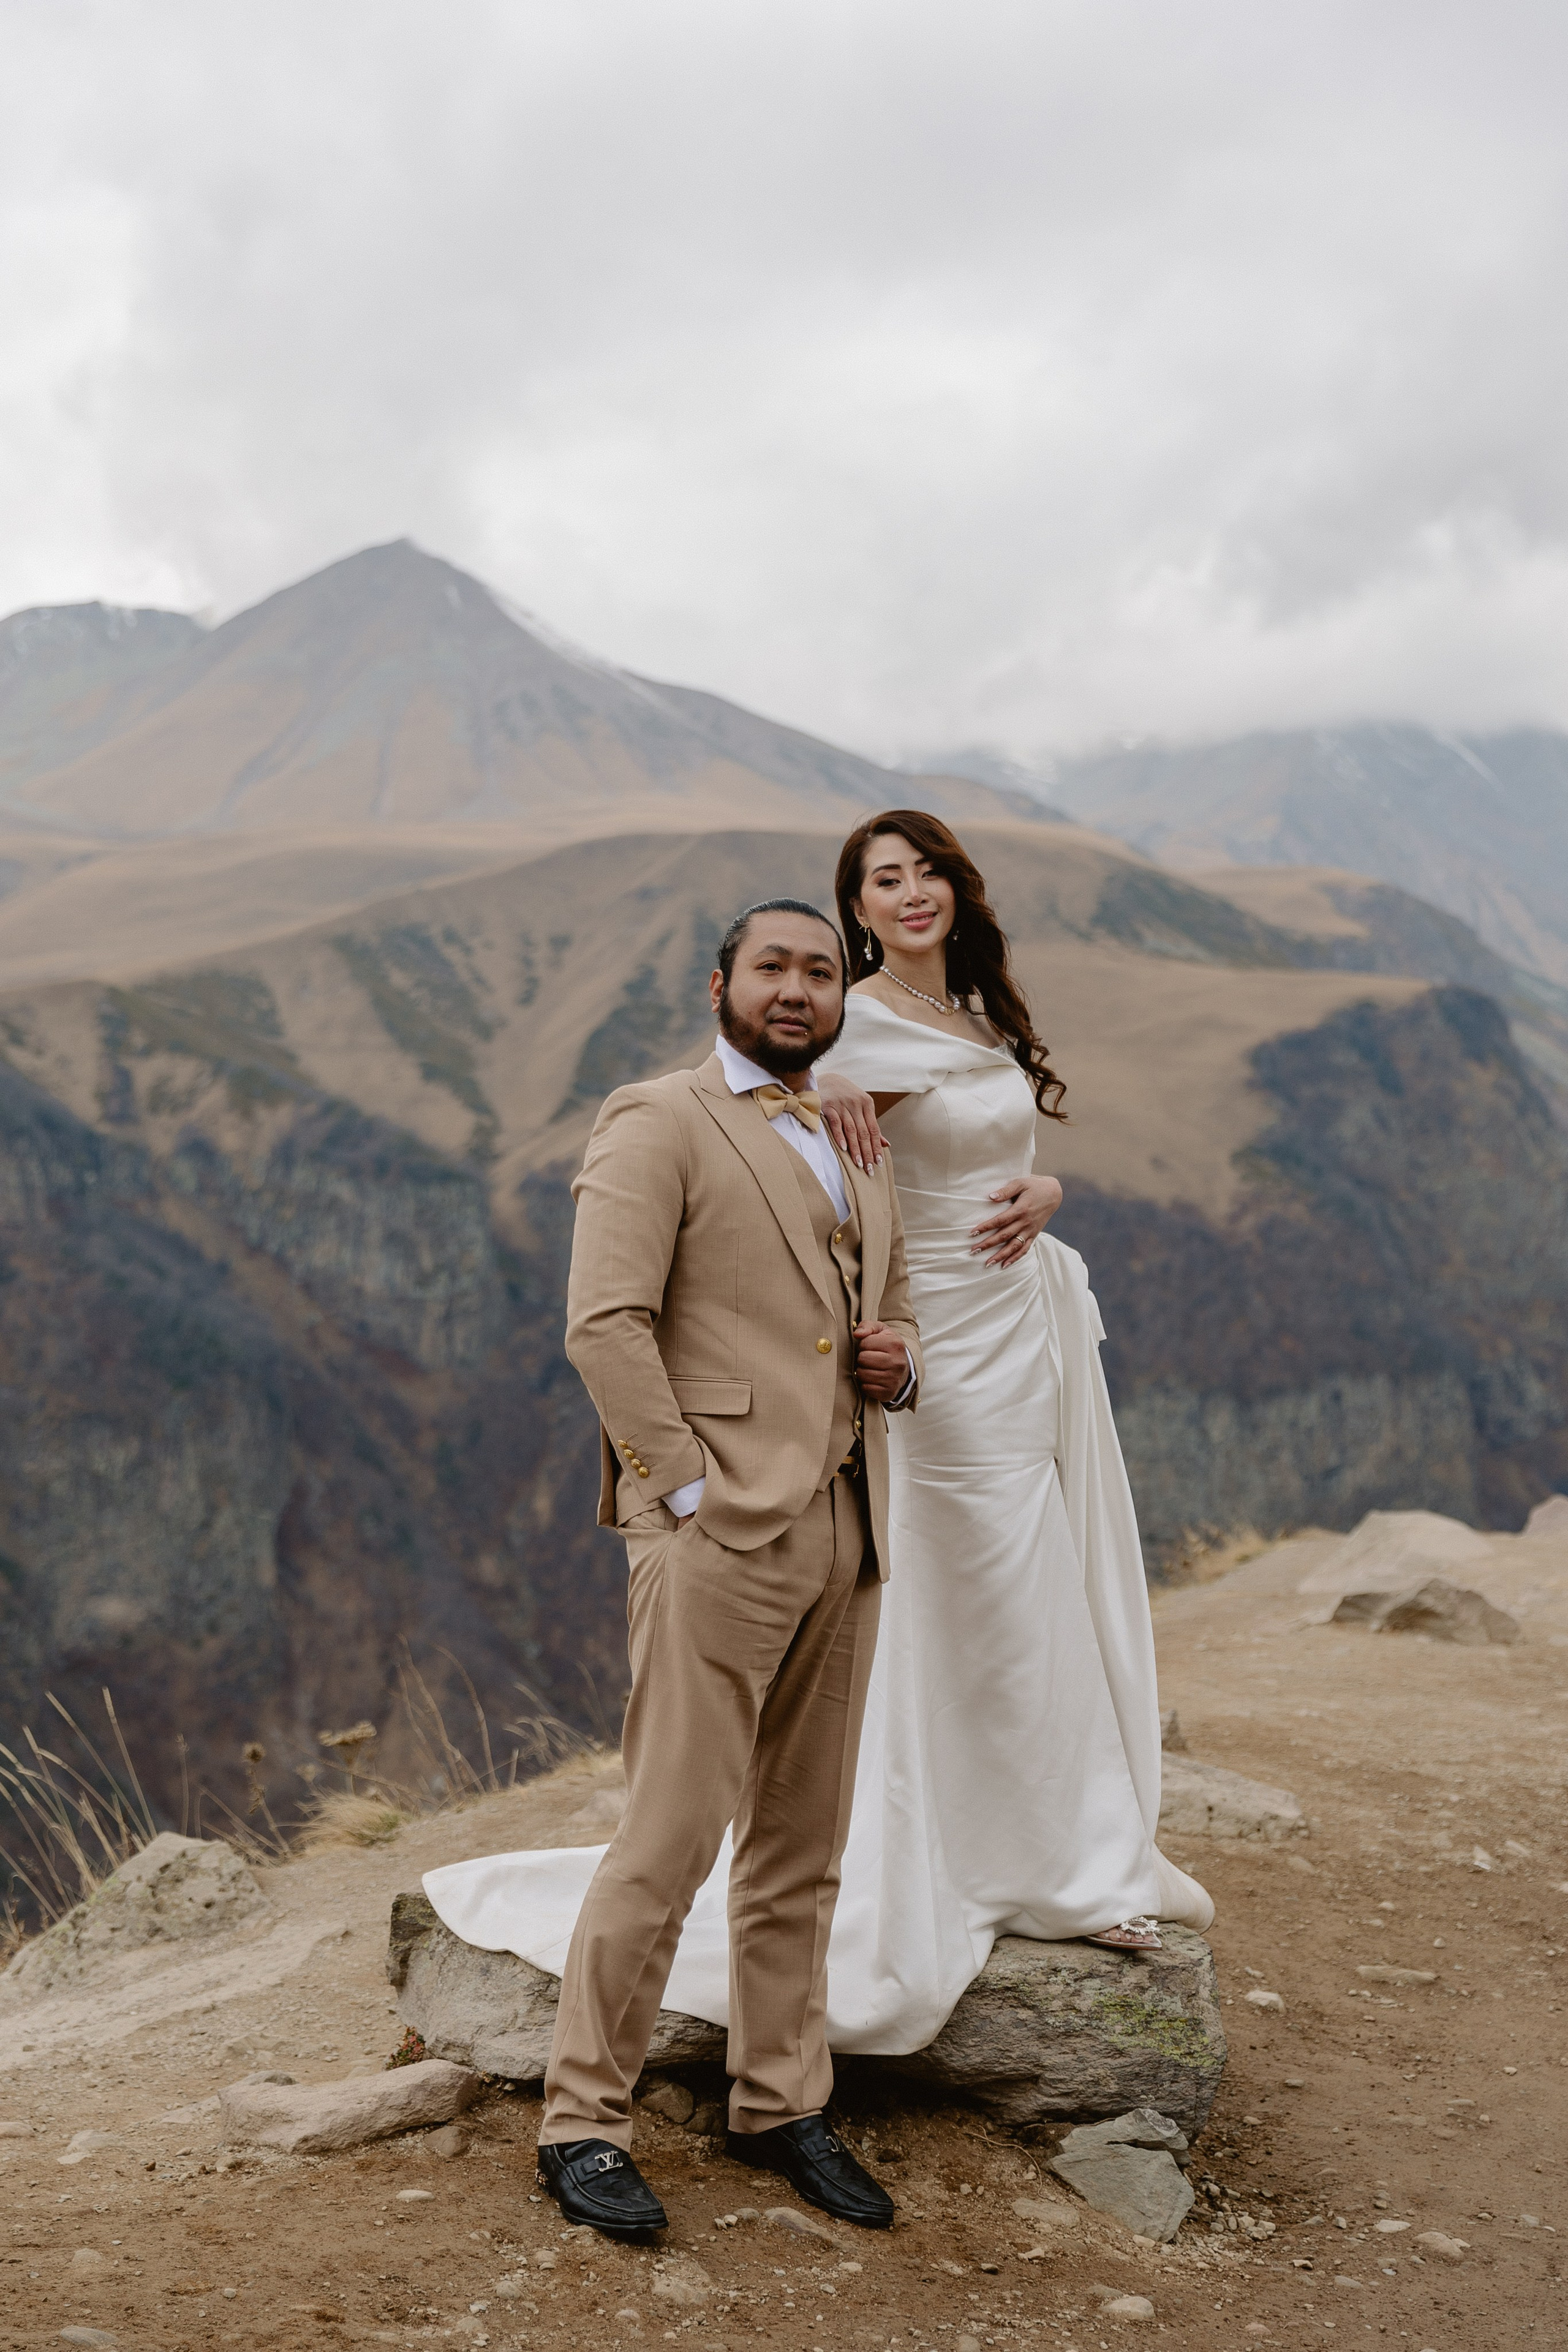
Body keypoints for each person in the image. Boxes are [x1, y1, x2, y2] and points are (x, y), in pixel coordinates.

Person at [519, 897, 923, 2241]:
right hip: (713, 1531)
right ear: (720, 985)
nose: (798, 988)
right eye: (773, 968)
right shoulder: (656, 1118)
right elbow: (603, 1323)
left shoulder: (853, 1137)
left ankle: (779, 2105)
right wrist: (684, 1488)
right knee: (670, 1835)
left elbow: (889, 1308)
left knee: (802, 1845)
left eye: (820, 969)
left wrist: (895, 1359)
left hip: (845, 1526)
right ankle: (581, 2121)